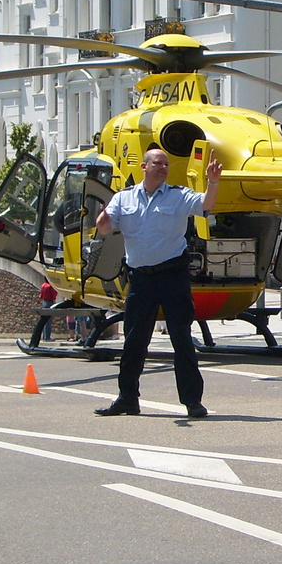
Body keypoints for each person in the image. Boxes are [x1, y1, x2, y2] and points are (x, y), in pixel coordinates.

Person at [92, 147, 221, 418]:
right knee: (134, 341)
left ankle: (192, 401)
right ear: (144, 166)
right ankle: (127, 398)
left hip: (172, 275)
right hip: (140, 279)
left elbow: (206, 204)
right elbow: (105, 227)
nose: (163, 168)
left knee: (181, 338)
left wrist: (213, 182)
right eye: (158, 163)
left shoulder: (178, 195)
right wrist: (102, 220)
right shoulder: (123, 198)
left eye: (166, 164)